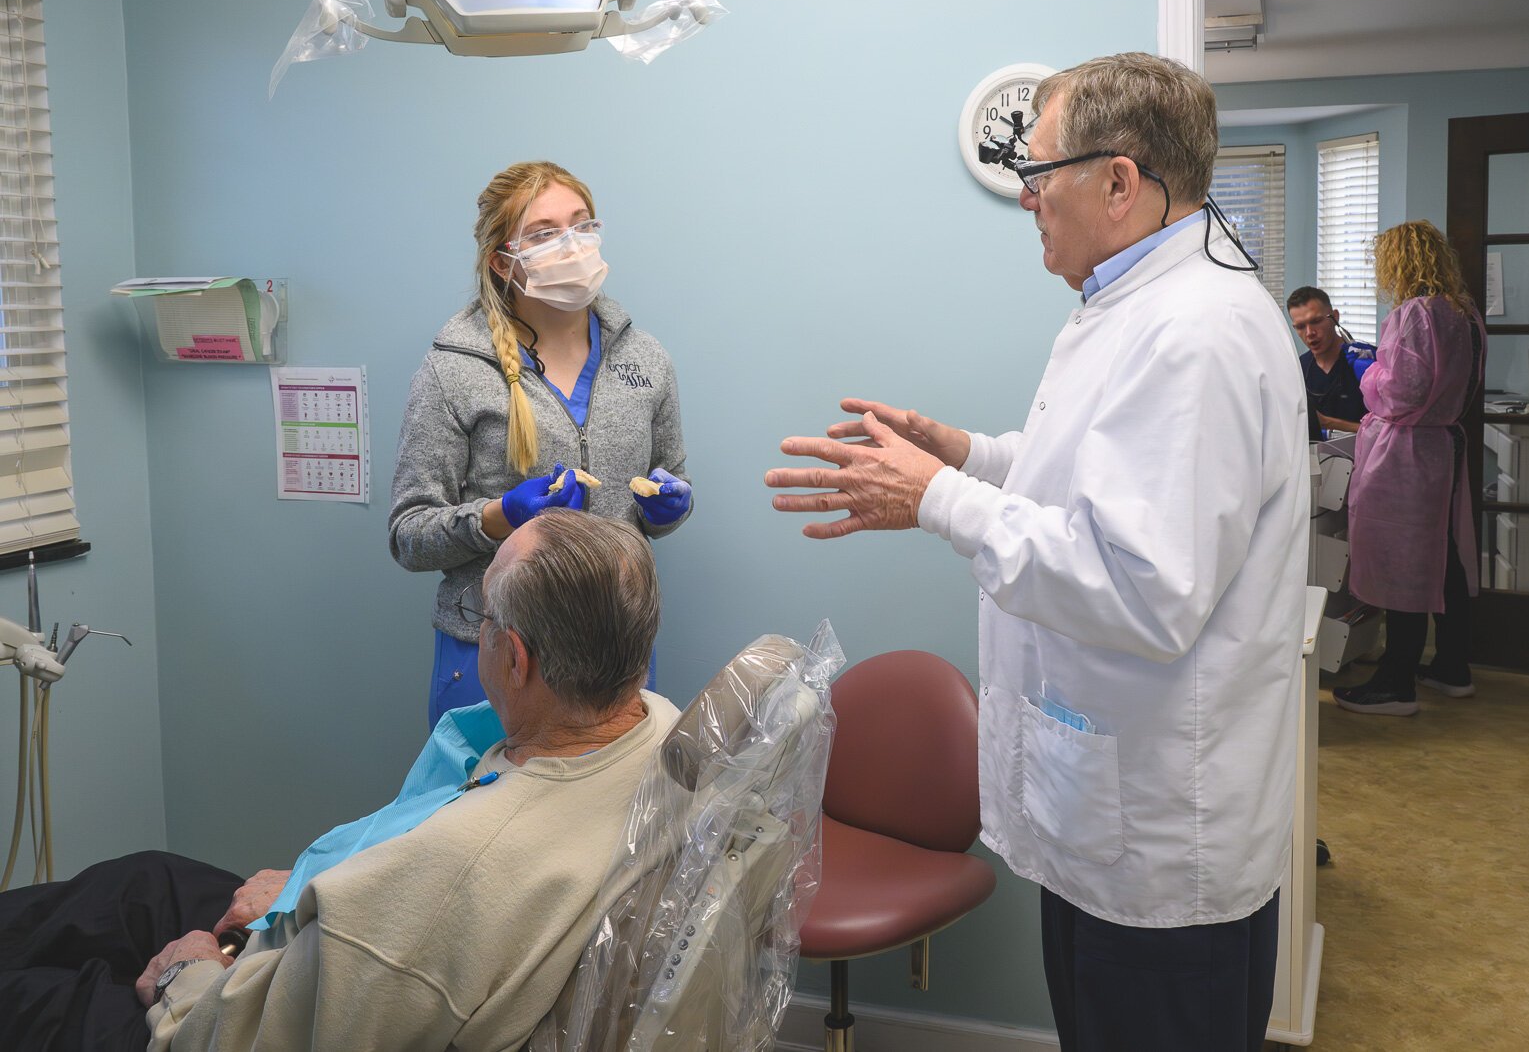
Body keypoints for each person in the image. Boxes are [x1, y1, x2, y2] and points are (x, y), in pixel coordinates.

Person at [767, 53, 1308, 1051]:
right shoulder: (1129, 300)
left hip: (1156, 848)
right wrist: (967, 456)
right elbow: (1098, 483)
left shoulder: (1195, 333)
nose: (1025, 197)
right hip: (1108, 819)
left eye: (1041, 170)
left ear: (1119, 179)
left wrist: (940, 499)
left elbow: (1143, 586)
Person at [0, 509, 680, 1051]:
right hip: (353, 932)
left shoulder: (449, 876)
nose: (480, 637)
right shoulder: (657, 727)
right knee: (145, 881)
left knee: (40, 994)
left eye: (485, 622)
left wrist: (185, 972)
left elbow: (222, 1038)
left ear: (518, 658)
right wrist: (298, 891)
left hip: (233, 1013)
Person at [390, 160, 693, 729]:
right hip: (500, 652)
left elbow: (669, 483)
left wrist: (671, 506)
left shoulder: (645, 360)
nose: (572, 245)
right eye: (546, 233)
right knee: (487, 816)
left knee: (608, 814)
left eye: (582, 224)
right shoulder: (453, 370)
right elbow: (409, 535)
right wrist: (503, 516)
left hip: (617, 647)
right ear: (504, 261)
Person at [1333, 221, 1484, 716]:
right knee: (1444, 558)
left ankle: (1396, 681)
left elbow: (1399, 392)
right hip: (1441, 444)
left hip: (1407, 454)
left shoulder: (1415, 313)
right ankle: (1451, 667)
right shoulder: (1463, 313)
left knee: (1404, 562)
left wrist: (1370, 369)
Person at [1287, 284, 1376, 437]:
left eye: (1316, 321)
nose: (1309, 333)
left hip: (1364, 457)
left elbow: (1387, 434)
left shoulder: (1366, 363)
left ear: (1335, 317)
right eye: (1300, 326)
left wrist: (1327, 423)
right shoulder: (1299, 369)